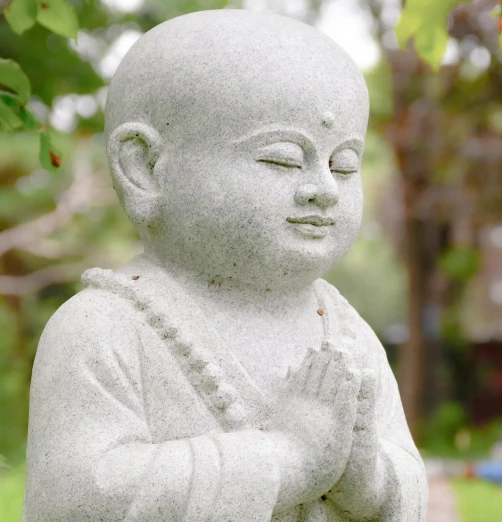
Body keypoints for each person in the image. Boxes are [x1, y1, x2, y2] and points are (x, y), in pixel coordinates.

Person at [23, 9, 427, 521]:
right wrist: (288, 458)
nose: (323, 189)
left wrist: (369, 481)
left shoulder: (348, 337)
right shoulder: (103, 329)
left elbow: (410, 484)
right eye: (282, 158)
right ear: (144, 168)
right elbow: (79, 498)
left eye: (342, 164)